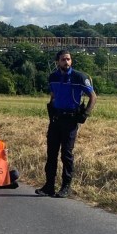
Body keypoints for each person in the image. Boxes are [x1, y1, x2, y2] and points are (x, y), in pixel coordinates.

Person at [36, 49, 97, 199]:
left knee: (66, 154)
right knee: (51, 153)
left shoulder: (79, 77)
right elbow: (53, 95)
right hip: (56, 119)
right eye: (63, 60)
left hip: (70, 120)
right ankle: (49, 186)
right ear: (57, 62)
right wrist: (51, 110)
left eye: (68, 59)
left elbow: (93, 96)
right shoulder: (53, 77)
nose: (66, 62)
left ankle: (66, 186)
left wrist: (85, 113)